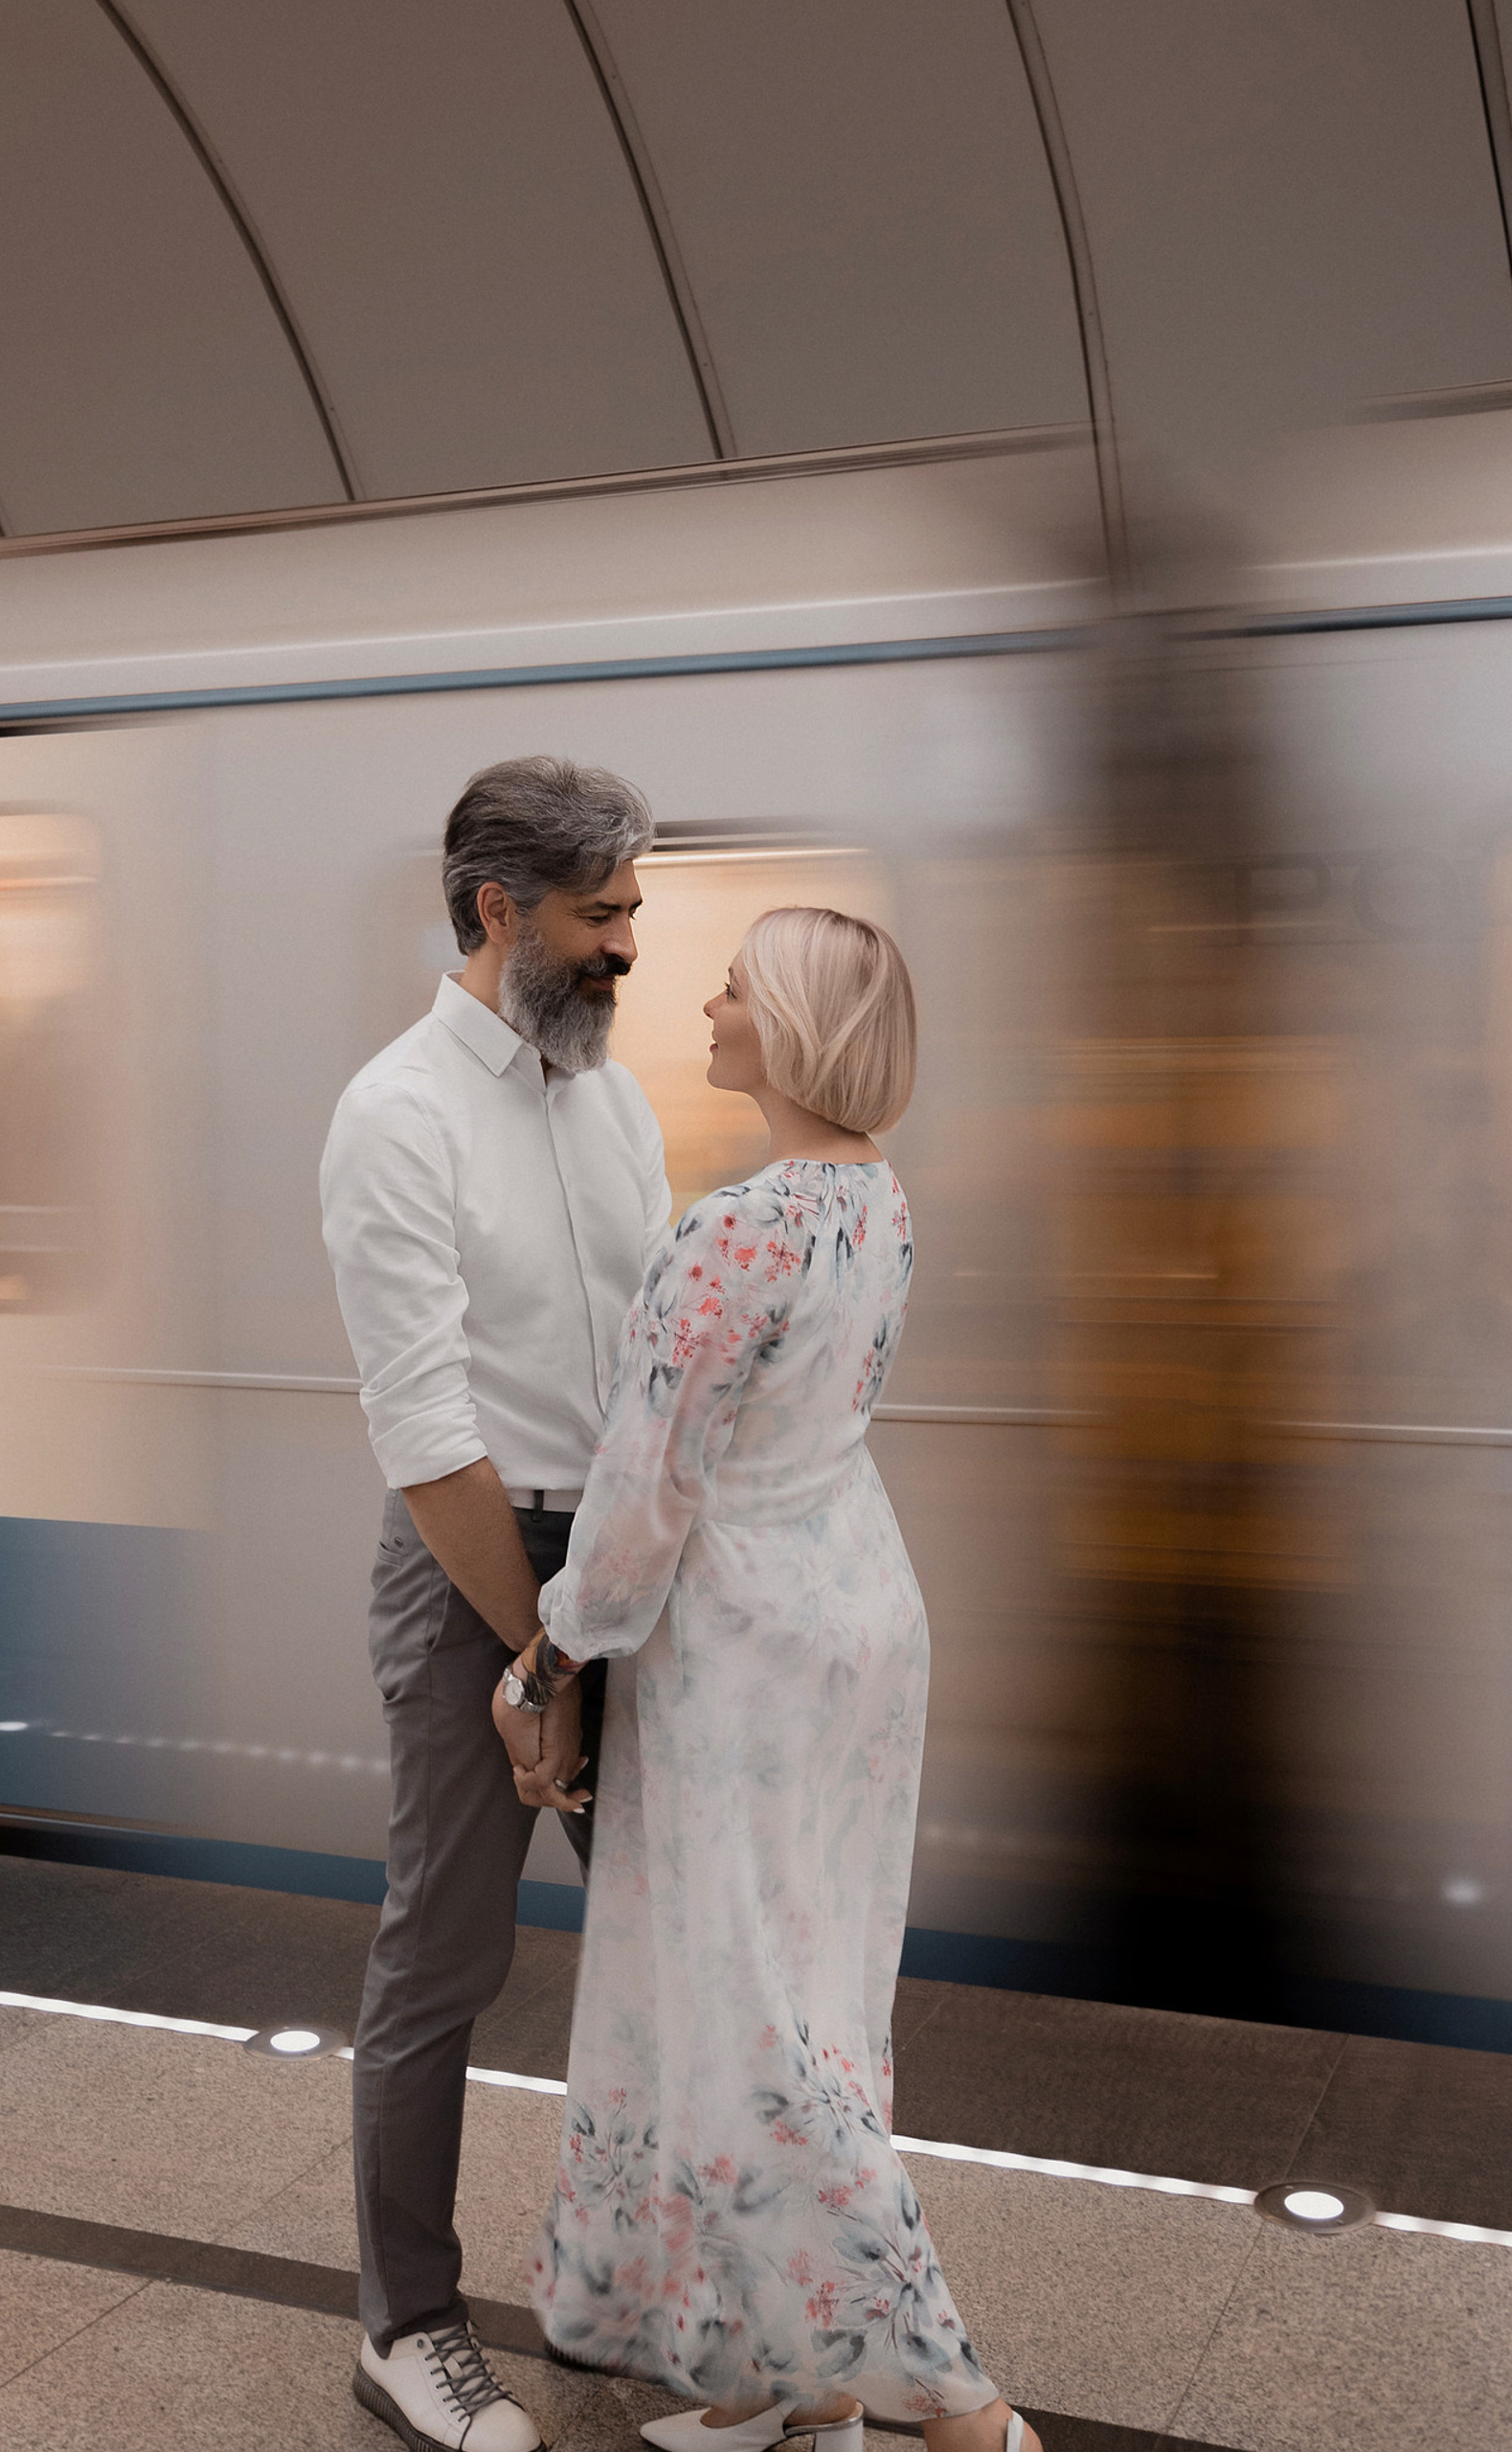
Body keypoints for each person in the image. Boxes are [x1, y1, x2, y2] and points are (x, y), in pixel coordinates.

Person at [495, 908, 1041, 2452]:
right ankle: (784, 2389)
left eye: (740, 985)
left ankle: (954, 2400)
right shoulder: (880, 1202)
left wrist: (549, 1653)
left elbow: (647, 1485)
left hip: (741, 1652)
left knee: (750, 2020)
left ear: (790, 1030)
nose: (714, 1002)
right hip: (859, 1618)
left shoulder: (737, 1226)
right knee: (814, 1994)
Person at [321, 757, 673, 2452]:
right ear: (497, 912)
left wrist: (614, 1611)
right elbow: (426, 1431)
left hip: (614, 1576)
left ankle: (652, 2310)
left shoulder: (617, 1104)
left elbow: (659, 1369)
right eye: (601, 915)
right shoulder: (394, 1114)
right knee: (444, 1962)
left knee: (672, 1954)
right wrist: (537, 1652)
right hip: (475, 1574)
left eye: (629, 911)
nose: (627, 948)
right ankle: (406, 2325)